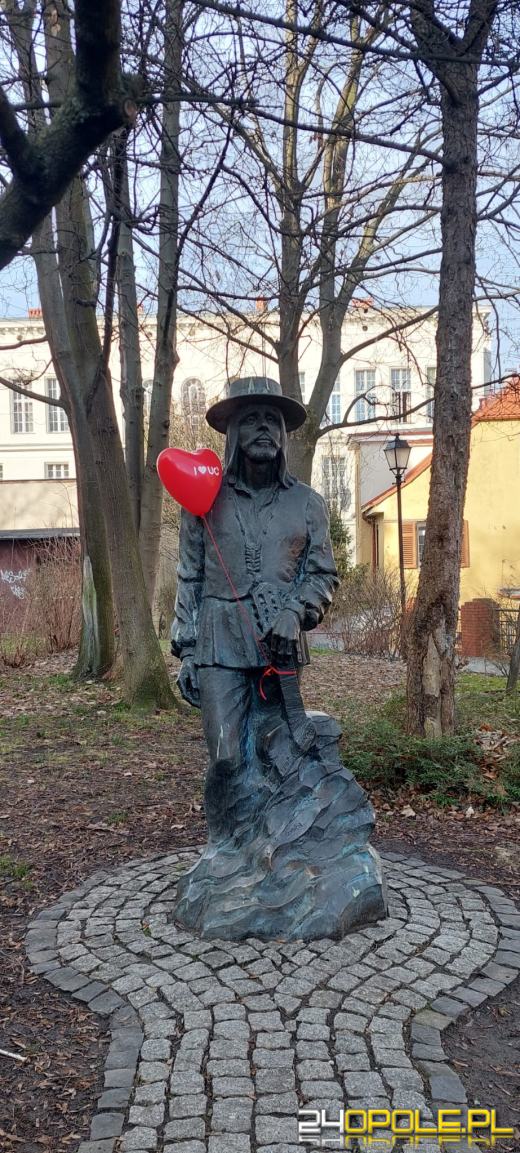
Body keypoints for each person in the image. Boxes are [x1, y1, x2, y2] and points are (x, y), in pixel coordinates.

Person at [171, 376, 339, 840]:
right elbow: (189, 575)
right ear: (233, 433)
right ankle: (226, 850)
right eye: (251, 420)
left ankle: (278, 848)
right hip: (217, 640)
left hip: (279, 643)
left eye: (272, 420)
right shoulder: (203, 500)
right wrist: (187, 650)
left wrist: (295, 611)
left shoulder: (308, 503)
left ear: (283, 434)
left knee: (280, 753)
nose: (264, 428)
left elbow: (323, 575)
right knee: (226, 757)